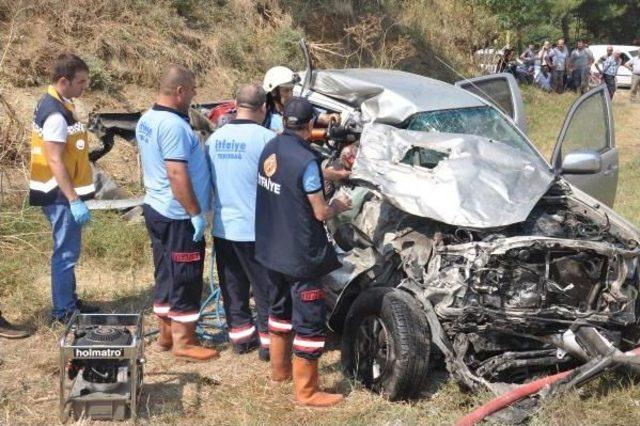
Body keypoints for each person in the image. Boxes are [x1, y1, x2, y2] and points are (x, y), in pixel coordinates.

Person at [255, 97, 351, 407]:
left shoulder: (270, 148)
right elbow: (321, 212)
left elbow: (289, 183)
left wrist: (325, 174)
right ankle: (307, 391)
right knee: (309, 321)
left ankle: (280, 371)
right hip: (300, 257)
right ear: (310, 126)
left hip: (271, 249)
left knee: (279, 311)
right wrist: (340, 204)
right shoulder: (307, 161)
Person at [136, 64, 217, 362]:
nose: (195, 96)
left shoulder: (148, 118)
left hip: (156, 207)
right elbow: (176, 173)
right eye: (193, 90)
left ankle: (166, 334)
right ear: (180, 91)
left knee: (166, 273)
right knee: (185, 275)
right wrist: (195, 212)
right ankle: (185, 341)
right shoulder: (173, 126)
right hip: (177, 214)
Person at [206, 84, 275, 361]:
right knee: (265, 288)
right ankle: (269, 344)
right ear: (264, 108)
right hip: (256, 229)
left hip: (224, 226)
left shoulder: (214, 139)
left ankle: (240, 338)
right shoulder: (267, 139)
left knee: (232, 286)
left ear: (236, 104)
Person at [29, 53, 100, 323]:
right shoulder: (55, 114)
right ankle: (64, 311)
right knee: (66, 253)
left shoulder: (57, 103)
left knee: (67, 250)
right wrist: (73, 200)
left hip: (59, 192)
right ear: (63, 81)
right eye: (80, 82)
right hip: (59, 195)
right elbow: (55, 159)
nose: (84, 87)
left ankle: (68, 301)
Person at [262, 66, 340, 133]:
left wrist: (332, 117)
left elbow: (322, 118)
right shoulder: (267, 119)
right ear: (273, 92)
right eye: (286, 90)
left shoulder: (298, 107)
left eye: (291, 89)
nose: (290, 94)